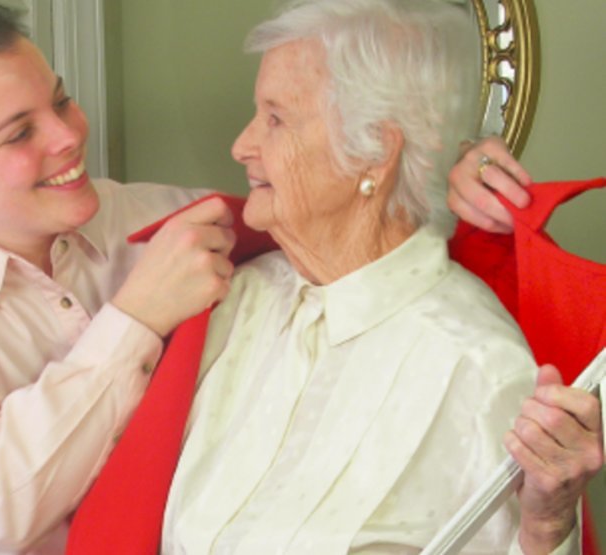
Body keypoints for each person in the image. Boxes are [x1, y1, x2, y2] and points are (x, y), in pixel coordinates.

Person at [0, 6, 587, 555]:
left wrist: (463, 187)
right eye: (20, 133)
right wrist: (134, 319)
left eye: (58, 100)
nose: (66, 135)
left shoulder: (164, 222)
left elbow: (347, 225)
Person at [162, 1, 603, 554]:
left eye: (276, 118)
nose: (242, 145)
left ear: (375, 155)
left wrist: (545, 530)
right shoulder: (232, 300)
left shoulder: (478, 368)